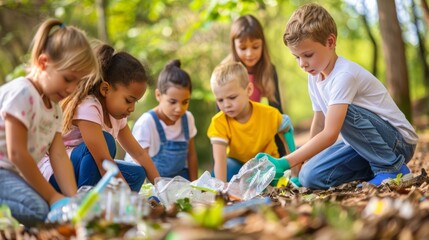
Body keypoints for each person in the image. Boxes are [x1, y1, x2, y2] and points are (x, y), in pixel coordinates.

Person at [256, 3, 419, 189]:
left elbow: (330, 133)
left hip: (397, 142)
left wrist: (284, 162)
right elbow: (318, 123)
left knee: (343, 109)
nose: (302, 63)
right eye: (297, 57)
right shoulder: (315, 76)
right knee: (310, 176)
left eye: (307, 55)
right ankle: (377, 170)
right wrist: (298, 169)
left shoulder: (344, 75)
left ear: (331, 42)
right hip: (364, 145)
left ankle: (392, 169)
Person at [0, 18, 99, 226]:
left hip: (13, 174)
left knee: (47, 210)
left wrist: (72, 201)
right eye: (67, 79)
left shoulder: (54, 109)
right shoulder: (22, 93)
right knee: (38, 209)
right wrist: (53, 196)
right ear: (43, 63)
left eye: (78, 82)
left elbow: (59, 154)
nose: (72, 89)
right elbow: (16, 153)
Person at [38, 43, 160, 193]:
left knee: (136, 174)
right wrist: (128, 197)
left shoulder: (118, 115)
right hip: (55, 172)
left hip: (85, 167)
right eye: (129, 100)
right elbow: (103, 161)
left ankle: (108, 202)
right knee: (107, 141)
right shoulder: (88, 107)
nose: (132, 108)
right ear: (105, 89)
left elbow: (139, 154)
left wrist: (161, 186)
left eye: (136, 101)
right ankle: (86, 198)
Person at [207, 61, 291, 182]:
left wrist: (295, 173)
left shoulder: (270, 114)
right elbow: (220, 161)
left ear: (249, 90)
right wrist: (222, 191)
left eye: (232, 97)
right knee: (221, 171)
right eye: (220, 100)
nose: (226, 105)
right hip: (239, 167)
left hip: (268, 165)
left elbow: (288, 136)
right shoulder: (219, 123)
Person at [223, 14, 289, 156]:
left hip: (260, 136)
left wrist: (284, 157)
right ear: (234, 46)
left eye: (255, 47)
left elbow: (277, 114)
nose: (249, 53)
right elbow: (221, 118)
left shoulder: (268, 70)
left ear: (262, 44)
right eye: (243, 47)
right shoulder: (226, 72)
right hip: (236, 139)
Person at [124, 59, 198, 181]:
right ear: (158, 95)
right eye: (172, 102)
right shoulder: (147, 123)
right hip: (154, 182)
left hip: (180, 180)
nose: (179, 109)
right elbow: (138, 162)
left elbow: (191, 155)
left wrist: (195, 185)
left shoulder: (188, 118)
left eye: (185, 102)